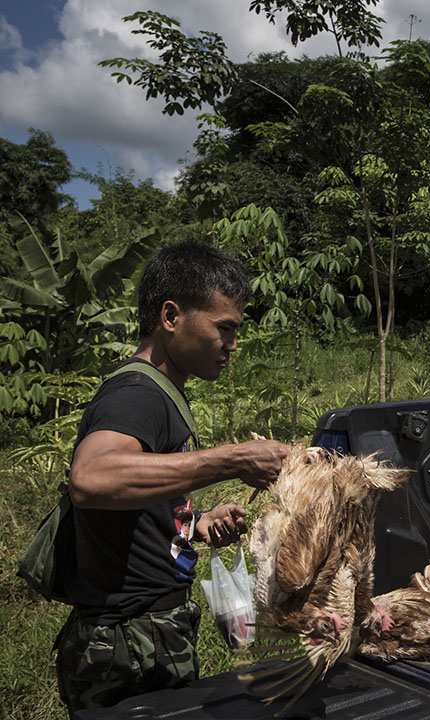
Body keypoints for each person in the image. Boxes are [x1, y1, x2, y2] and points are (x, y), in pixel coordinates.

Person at [54, 241, 293, 716]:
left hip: (150, 631)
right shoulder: (136, 393)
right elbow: (91, 478)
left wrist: (194, 520)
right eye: (223, 329)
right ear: (170, 317)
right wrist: (230, 460)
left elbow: (137, 490)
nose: (232, 345)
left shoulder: (162, 393)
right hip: (126, 643)